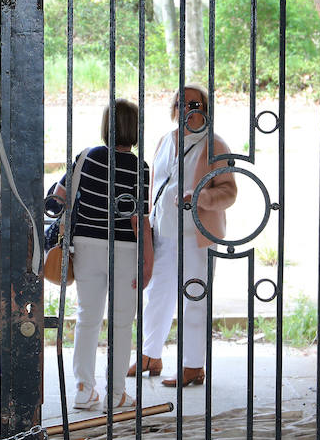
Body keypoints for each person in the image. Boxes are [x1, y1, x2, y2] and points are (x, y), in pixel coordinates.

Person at [131, 84, 238, 388]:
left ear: (205, 109)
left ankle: (193, 365)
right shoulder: (165, 141)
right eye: (181, 103)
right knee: (157, 294)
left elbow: (229, 191)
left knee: (194, 297)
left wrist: (202, 197)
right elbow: (155, 186)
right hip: (163, 233)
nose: (187, 109)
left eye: (194, 104)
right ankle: (150, 354)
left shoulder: (215, 145)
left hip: (196, 236)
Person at [51, 99, 151, 411]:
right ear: (135, 130)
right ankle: (117, 393)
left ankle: (83, 389)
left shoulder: (87, 156)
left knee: (87, 317)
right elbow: (139, 219)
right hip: (124, 248)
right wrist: (147, 262)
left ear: (106, 126)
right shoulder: (140, 168)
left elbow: (58, 196)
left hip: (86, 245)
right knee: (122, 322)